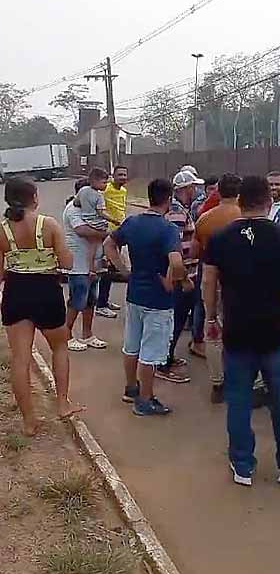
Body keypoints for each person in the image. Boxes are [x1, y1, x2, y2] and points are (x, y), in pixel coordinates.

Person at [0, 177, 83, 434]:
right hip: (46, 291)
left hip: (16, 292)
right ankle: (62, 404)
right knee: (59, 347)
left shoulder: (0, 231)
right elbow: (67, 262)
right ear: (34, 198)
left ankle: (29, 421)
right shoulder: (48, 225)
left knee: (20, 359)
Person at [201, 175, 280, 487]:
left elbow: (208, 281)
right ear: (268, 202)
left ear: (239, 202)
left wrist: (210, 317)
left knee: (238, 401)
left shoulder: (220, 238)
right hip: (275, 333)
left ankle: (243, 466)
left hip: (236, 333)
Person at [104, 178, 185, 417]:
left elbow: (109, 244)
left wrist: (123, 270)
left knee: (132, 345)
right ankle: (145, 400)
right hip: (158, 300)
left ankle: (131, 388)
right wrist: (172, 281)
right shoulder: (168, 228)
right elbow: (177, 262)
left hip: (136, 293)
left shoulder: (132, 222)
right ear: (168, 199)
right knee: (150, 352)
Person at [193, 173, 243, 402]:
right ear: (239, 193)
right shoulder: (246, 217)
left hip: (212, 277)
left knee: (213, 332)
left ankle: (218, 382)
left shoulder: (205, 218)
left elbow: (195, 253)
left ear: (218, 192)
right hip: (242, 281)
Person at [155, 169, 202, 382]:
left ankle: (167, 356)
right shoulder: (176, 212)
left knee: (178, 318)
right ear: (186, 188)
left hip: (186, 272)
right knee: (175, 320)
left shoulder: (180, 209)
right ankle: (162, 362)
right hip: (181, 275)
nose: (196, 190)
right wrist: (182, 278)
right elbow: (174, 247)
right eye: (193, 186)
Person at [63, 179, 108, 351]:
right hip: (77, 265)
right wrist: (105, 233)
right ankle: (66, 335)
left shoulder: (91, 210)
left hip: (93, 265)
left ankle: (87, 335)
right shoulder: (73, 210)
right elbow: (82, 230)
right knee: (77, 300)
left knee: (90, 301)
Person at [96, 165, 129, 318]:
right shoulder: (105, 189)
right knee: (106, 269)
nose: (122, 177)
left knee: (112, 268)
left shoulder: (123, 191)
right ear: (112, 176)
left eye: (124, 175)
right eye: (120, 175)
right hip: (107, 234)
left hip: (119, 233)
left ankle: (105, 300)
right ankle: (100, 304)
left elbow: (121, 210)